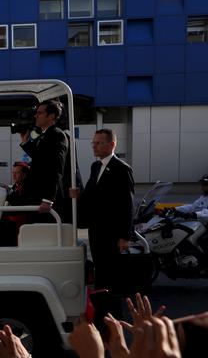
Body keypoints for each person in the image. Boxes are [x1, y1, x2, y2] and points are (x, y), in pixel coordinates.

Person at [73, 129, 134, 297]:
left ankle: (114, 311)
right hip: (96, 229)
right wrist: (79, 195)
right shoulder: (96, 166)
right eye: (93, 143)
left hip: (112, 233)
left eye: (99, 143)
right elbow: (92, 194)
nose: (94, 146)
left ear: (112, 144)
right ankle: (102, 307)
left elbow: (127, 204)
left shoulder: (122, 169)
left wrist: (125, 237)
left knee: (112, 272)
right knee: (100, 268)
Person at [18, 100, 71, 223]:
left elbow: (56, 168)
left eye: (40, 113)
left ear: (51, 116)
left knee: (45, 235)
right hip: (37, 197)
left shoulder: (57, 136)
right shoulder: (44, 135)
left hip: (45, 201)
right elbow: (40, 156)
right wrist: (25, 142)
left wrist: (48, 200)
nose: (36, 116)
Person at [0, 162, 32, 246]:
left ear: (24, 174)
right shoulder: (17, 184)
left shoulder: (29, 186)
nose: (14, 176)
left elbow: (19, 201)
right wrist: (7, 188)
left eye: (17, 173)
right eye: (13, 173)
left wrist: (8, 192)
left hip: (21, 219)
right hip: (13, 217)